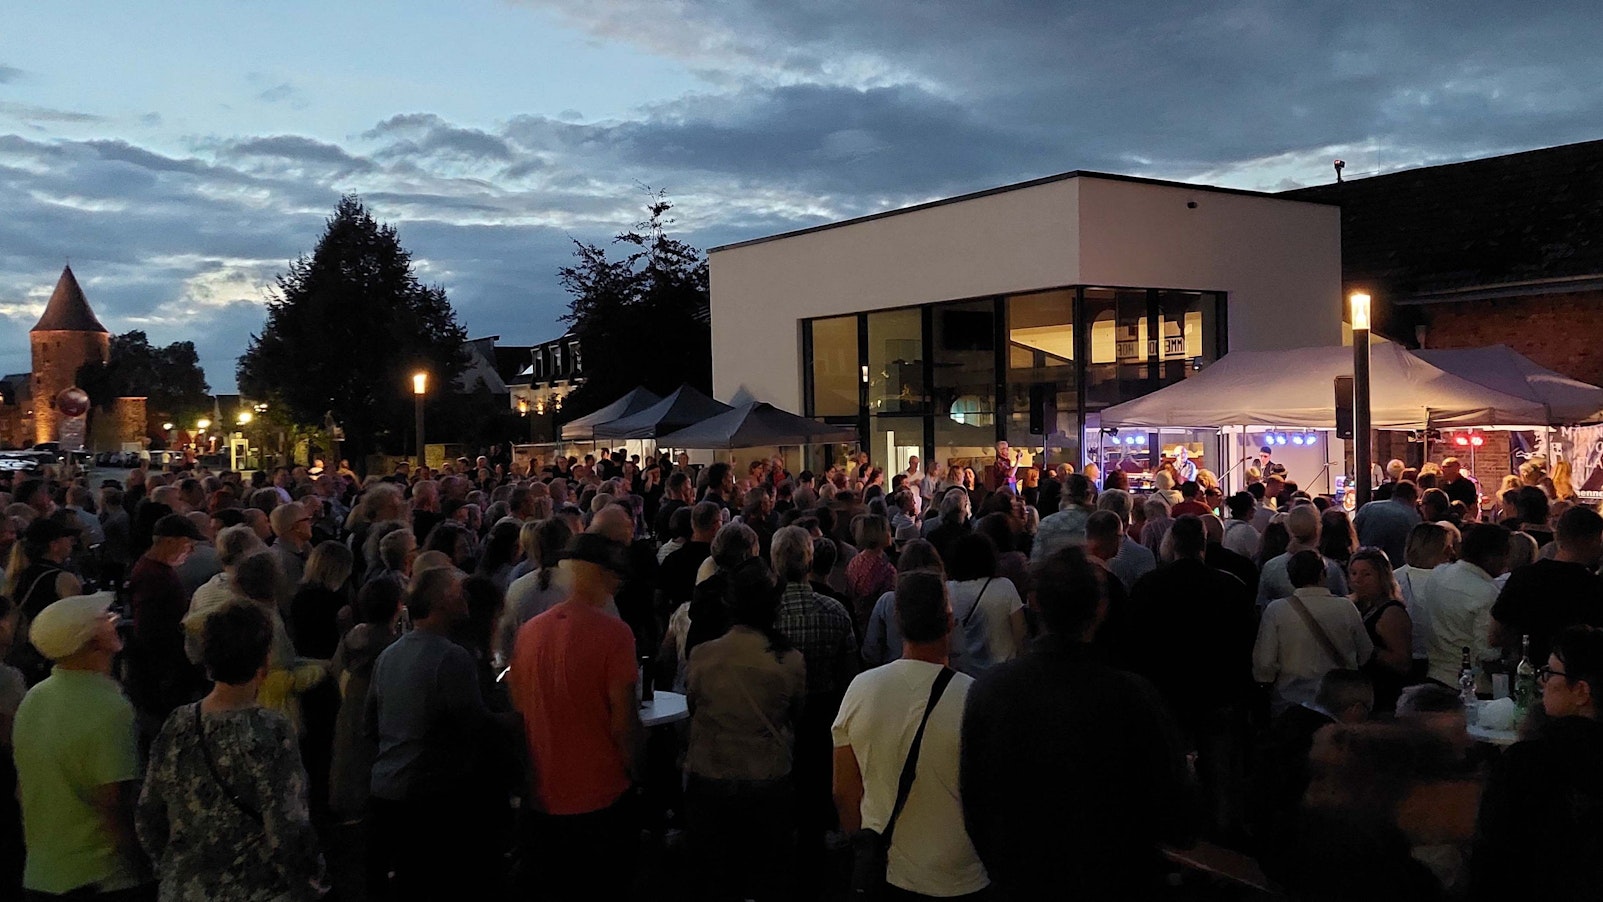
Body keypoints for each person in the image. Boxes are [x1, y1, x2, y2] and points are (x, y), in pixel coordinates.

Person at [961, 547, 1196, 898]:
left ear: (1035, 603)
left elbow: (975, 799)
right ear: (1101, 609)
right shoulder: (1133, 697)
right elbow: (1175, 813)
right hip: (1115, 877)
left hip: (1023, 877)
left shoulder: (991, 691)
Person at [136, 602, 324, 900]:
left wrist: (173, 868)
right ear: (263, 661)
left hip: (185, 889)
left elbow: (149, 815)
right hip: (254, 890)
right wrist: (310, 884)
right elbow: (288, 830)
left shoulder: (178, 723)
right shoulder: (270, 730)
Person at [834, 571, 989, 900]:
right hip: (958, 871)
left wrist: (861, 844)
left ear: (897, 621)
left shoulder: (862, 689)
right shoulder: (974, 697)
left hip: (884, 864)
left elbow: (844, 790)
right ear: (949, 621)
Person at [508, 533, 641, 901]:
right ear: (604, 576)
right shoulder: (615, 635)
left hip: (542, 796)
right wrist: (636, 771)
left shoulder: (530, 633)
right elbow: (624, 724)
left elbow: (520, 713)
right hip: (600, 794)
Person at [365, 567, 497, 899]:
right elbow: (476, 725)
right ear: (441, 601)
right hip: (428, 795)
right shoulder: (452, 657)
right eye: (456, 591)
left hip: (385, 788)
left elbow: (369, 724)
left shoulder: (388, 655)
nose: (464, 597)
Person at [13, 592, 151, 898]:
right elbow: (114, 803)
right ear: (91, 641)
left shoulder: (34, 698)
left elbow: (23, 789)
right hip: (101, 877)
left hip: (41, 874)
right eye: (104, 618)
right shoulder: (110, 709)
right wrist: (143, 866)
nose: (114, 620)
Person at [684, 561, 805, 901]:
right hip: (767, 775)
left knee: (715, 875)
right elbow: (795, 714)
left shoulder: (702, 655)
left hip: (711, 772)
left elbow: (694, 707)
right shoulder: (790, 661)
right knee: (765, 875)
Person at [1472, 625, 1603, 899]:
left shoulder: (1529, 763)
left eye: (1551, 673)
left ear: (1581, 691)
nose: (1542, 681)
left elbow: (1493, 856)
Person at [1252, 551, 1374, 715]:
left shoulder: (1276, 610)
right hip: (1337, 700)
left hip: (1290, 701)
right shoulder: (1346, 607)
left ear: (1291, 577)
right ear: (1323, 574)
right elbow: (1365, 653)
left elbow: (1264, 663)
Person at [328, 580, 403, 822]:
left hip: (349, 715)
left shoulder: (350, 639)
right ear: (397, 608)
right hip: (380, 729)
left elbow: (336, 671)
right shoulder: (393, 649)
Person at [1490, 505, 1603, 664]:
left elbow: (1496, 636)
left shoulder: (1523, 576)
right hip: (1574, 676)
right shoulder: (1594, 587)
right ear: (1592, 541)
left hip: (1528, 673)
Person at [1416, 523, 1510, 686]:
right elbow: (1488, 655)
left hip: (1435, 673)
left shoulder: (1439, 574)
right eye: (1505, 555)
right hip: (1471, 684)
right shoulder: (1485, 593)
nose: (1507, 562)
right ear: (1491, 557)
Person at [945, 532, 1027, 676]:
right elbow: (1020, 635)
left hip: (962, 676)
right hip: (1003, 676)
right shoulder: (1005, 587)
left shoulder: (946, 591)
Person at [1347, 547, 1412, 713]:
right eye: (1353, 573)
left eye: (1366, 574)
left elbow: (1402, 663)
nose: (1358, 580)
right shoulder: (1354, 605)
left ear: (1381, 577)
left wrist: (1368, 647)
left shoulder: (1391, 612)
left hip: (1383, 694)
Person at [1256, 505, 1348, 608]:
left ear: (1289, 528)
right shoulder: (1331, 569)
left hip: (1284, 622)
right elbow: (1343, 604)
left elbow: (1262, 604)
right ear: (1318, 529)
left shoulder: (1271, 567)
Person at [1354, 481, 1421, 568]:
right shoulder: (1413, 517)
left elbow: (1352, 531)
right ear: (1412, 497)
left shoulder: (1369, 507)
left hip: (1363, 564)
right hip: (1395, 568)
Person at [1030, 474, 1095, 563]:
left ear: (1064, 495)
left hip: (1053, 574)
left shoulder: (1048, 523)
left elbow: (1036, 560)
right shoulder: (1096, 523)